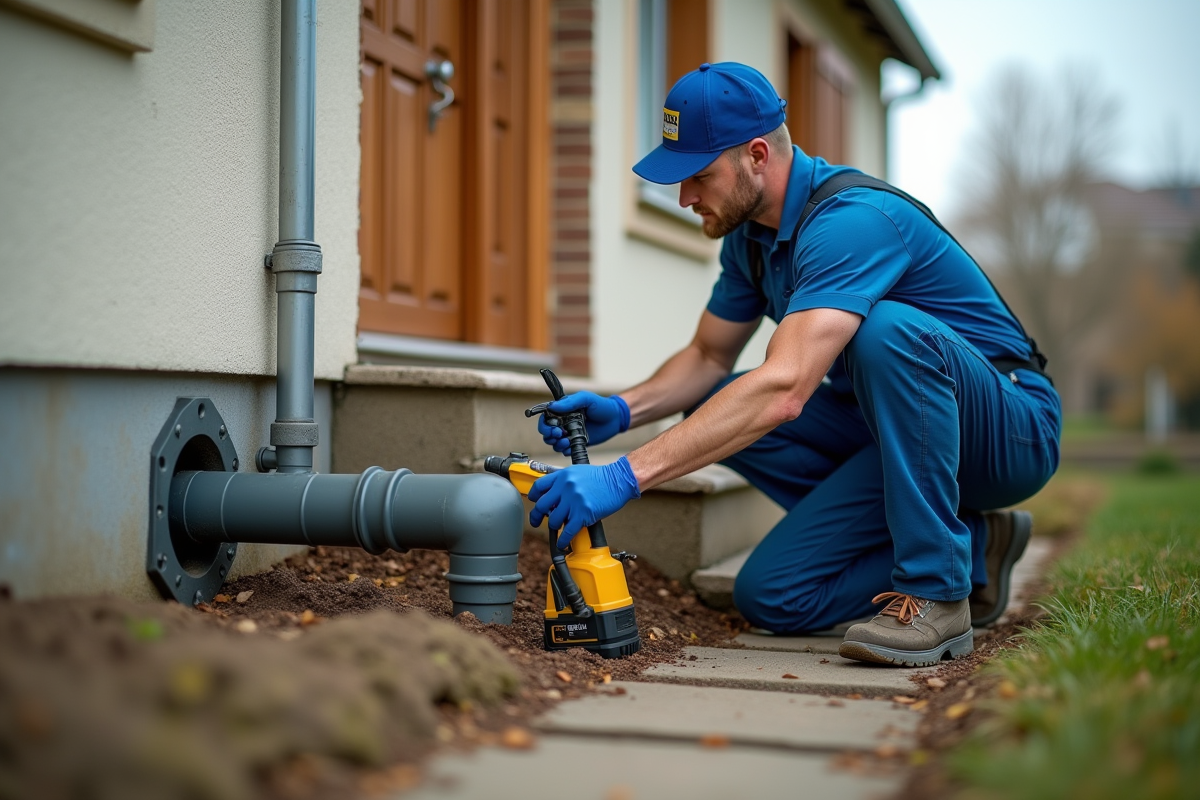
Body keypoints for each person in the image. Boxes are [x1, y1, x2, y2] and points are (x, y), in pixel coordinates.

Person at [526, 62, 1061, 667]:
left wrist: (624, 477)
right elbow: (708, 355)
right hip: (893, 427)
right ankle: (980, 545)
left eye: (699, 176)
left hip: (1007, 429)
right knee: (774, 594)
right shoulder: (749, 236)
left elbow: (784, 389)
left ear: (757, 155)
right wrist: (624, 409)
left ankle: (936, 589)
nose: (685, 198)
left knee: (885, 332)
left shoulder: (850, 222)